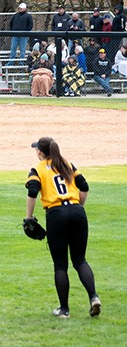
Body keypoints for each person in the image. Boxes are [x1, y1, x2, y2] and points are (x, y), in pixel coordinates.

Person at [25, 137, 101, 319]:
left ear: (41, 152)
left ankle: (64, 310)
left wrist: (28, 217)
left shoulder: (38, 169)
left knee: (60, 264)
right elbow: (84, 187)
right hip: (77, 212)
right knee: (80, 260)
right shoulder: (67, 164)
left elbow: (33, 191)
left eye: (37, 149)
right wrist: (78, 208)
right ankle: (94, 297)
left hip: (56, 214)